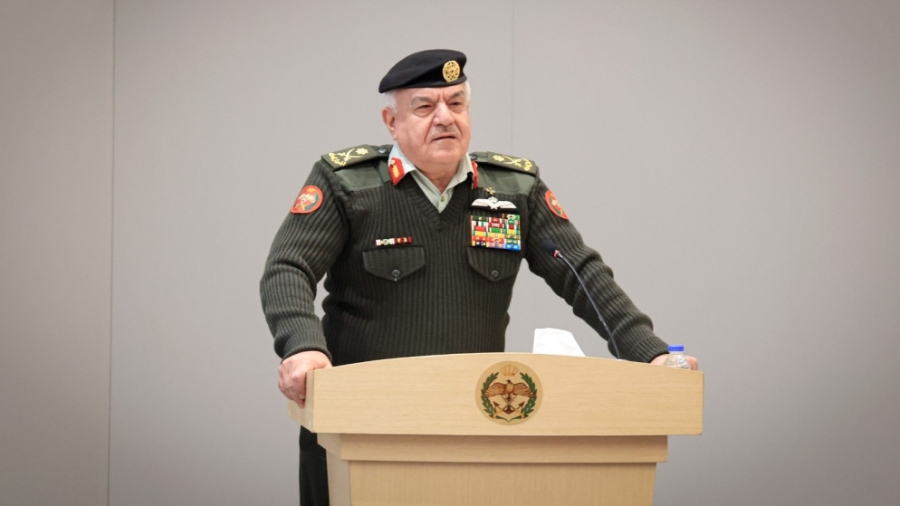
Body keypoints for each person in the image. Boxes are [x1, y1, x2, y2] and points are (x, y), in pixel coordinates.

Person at [260, 48, 698, 506]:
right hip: (359, 421)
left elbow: (580, 273)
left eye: (456, 103)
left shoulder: (513, 189)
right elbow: (288, 267)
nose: (444, 118)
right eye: (425, 107)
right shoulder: (347, 183)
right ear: (391, 122)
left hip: (469, 426)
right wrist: (303, 346)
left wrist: (648, 353)